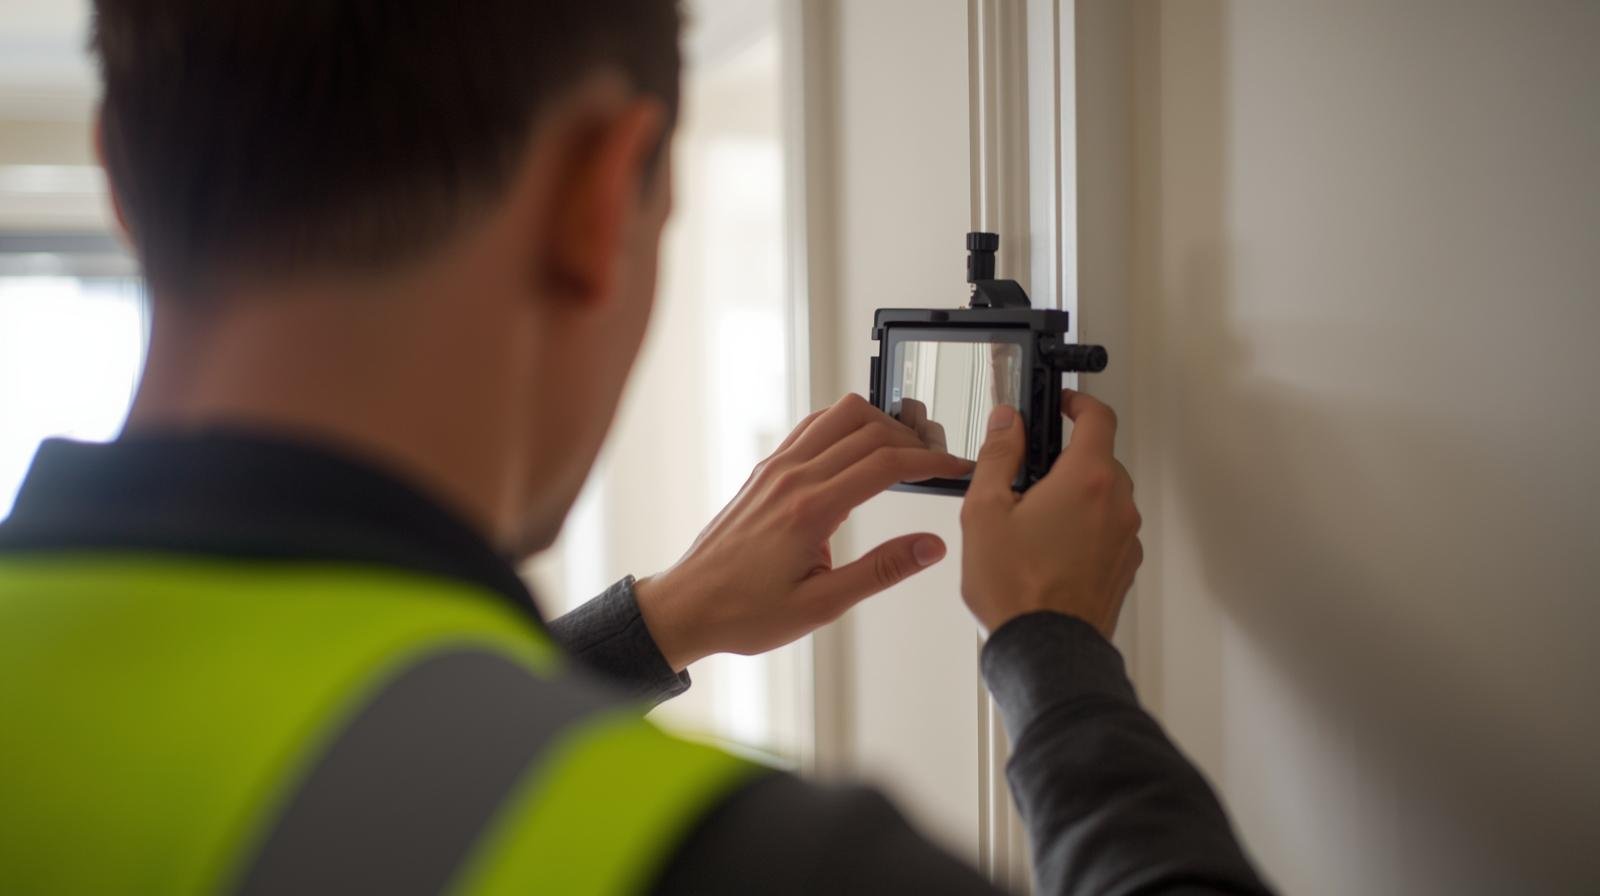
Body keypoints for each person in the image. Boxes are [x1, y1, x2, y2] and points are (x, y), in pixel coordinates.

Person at [0, 2, 1270, 893]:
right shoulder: (743, 864)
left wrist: (651, 624)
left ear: (118, 172)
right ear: (601, 197)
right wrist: (1054, 651)